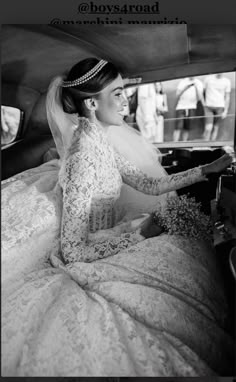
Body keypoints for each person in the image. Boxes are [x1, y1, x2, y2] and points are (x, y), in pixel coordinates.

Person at [2, 58, 233, 376]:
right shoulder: (84, 157)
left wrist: (204, 170)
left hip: (109, 231)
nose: (127, 101)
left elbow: (149, 184)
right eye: (119, 93)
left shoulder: (100, 144)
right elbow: (72, 251)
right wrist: (141, 235)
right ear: (93, 103)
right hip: (90, 248)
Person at [173, 77, 205, 142]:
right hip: (181, 107)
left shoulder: (199, 83)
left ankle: (184, 144)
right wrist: (186, 88)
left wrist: (195, 87)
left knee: (187, 128)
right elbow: (177, 95)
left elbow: (199, 98)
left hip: (192, 107)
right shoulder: (182, 82)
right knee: (178, 128)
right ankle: (174, 145)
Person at [203, 73, 231, 141]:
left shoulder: (226, 81)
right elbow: (202, 92)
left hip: (220, 106)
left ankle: (211, 145)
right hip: (208, 106)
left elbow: (227, 97)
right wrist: (204, 103)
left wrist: (226, 111)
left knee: (215, 127)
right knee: (208, 128)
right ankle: (206, 144)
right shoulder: (208, 79)